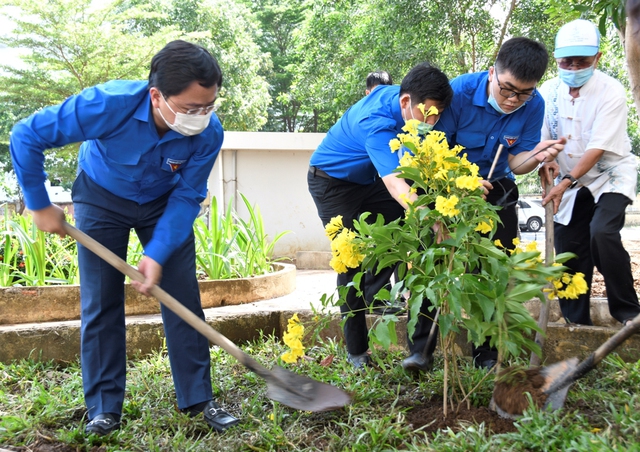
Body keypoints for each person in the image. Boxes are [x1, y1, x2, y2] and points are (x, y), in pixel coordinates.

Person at [9, 40, 240, 436]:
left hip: (165, 202)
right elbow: (27, 134)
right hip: (101, 197)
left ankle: (199, 399)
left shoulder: (208, 133)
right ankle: (104, 409)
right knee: (101, 300)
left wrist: (158, 252)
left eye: (209, 106)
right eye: (191, 108)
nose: (201, 117)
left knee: (182, 295)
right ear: (156, 96)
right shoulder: (107, 104)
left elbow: (188, 196)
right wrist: (39, 203)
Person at [308, 62, 453, 372]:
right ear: (406, 102)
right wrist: (432, 217)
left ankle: (418, 350)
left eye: (438, 114)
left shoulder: (408, 101)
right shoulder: (375, 120)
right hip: (332, 183)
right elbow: (396, 184)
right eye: (427, 114)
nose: (432, 122)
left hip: (370, 179)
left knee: (403, 237)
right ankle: (357, 352)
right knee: (351, 260)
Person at [435, 37, 566, 369]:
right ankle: (422, 349)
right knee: (437, 262)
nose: (512, 100)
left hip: (497, 186)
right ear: (492, 72)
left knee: (495, 267)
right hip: (450, 186)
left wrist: (538, 155)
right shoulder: (459, 92)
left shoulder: (534, 104)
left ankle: (487, 353)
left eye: (523, 93)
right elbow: (437, 148)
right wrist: (461, 183)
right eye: (507, 89)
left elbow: (518, 164)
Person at [538, 19, 640, 326]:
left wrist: (566, 181)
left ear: (597, 57)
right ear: (556, 59)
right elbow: (542, 141)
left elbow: (597, 148)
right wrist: (545, 164)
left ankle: (628, 313)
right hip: (568, 183)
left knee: (602, 233)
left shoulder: (611, 91)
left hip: (610, 175)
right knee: (568, 250)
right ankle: (576, 323)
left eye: (581, 61)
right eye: (566, 61)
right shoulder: (548, 92)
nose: (573, 67)